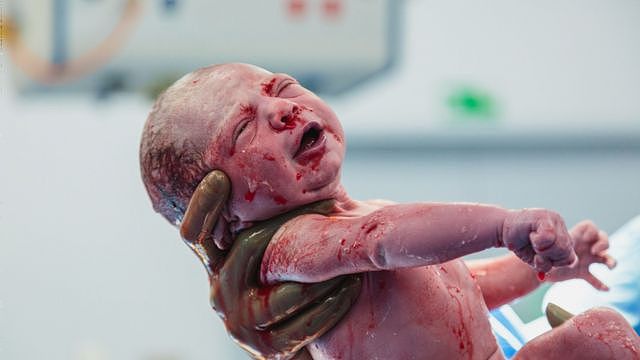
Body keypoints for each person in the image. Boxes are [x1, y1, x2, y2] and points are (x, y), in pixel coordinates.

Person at [139, 63, 639, 359]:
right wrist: (504, 226)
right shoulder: (293, 245)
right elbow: (380, 241)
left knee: (600, 333)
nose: (282, 110)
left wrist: (539, 265)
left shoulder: (365, 213)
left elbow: (462, 288)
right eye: (244, 130)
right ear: (223, 213)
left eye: (282, 87)